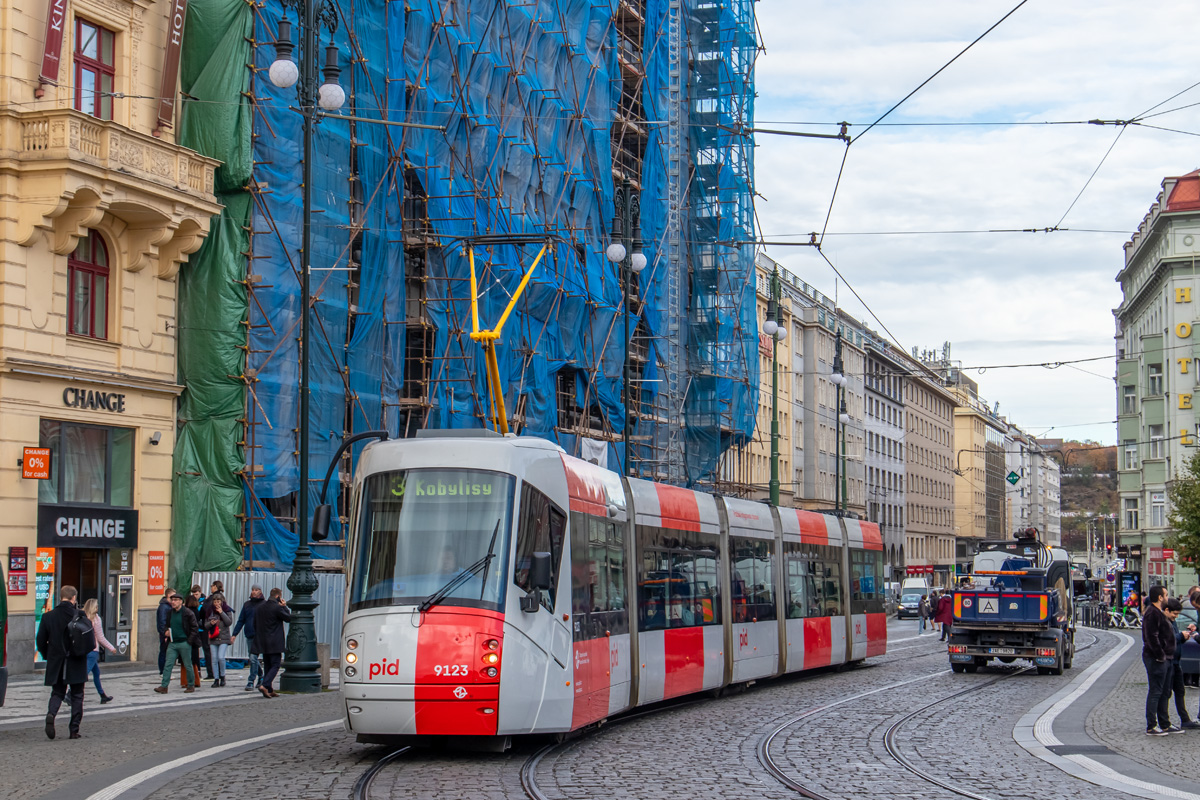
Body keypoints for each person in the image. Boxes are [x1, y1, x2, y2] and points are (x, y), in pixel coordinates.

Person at [35, 585, 89, 739]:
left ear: (61, 597)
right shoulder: (80, 616)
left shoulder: (48, 617)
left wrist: (48, 655)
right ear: (74, 599)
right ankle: (74, 730)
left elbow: (40, 641)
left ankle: (51, 714)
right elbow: (87, 639)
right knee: (77, 695)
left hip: (57, 661)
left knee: (57, 692)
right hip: (76, 661)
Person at [1142, 586, 1177, 735]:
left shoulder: (1157, 613)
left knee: (1164, 691)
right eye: (1166, 595)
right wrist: (1160, 655)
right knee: (1156, 691)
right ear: (1160, 597)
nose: (1168, 598)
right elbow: (1152, 637)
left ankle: (1165, 723)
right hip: (1156, 658)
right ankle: (1151, 725)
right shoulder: (1152, 613)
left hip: (1165, 657)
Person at [1165, 598, 1199, 729]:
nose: (1176, 616)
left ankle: (1185, 720)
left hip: (1176, 662)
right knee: (1166, 692)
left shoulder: (1172, 621)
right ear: (1167, 610)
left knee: (1180, 690)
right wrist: (1180, 637)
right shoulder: (1164, 622)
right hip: (1169, 661)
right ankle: (1164, 721)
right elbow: (1168, 639)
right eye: (1175, 614)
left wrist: (1184, 637)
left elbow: (1175, 639)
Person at [155, 592, 198, 695]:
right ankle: (164, 686)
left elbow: (194, 627)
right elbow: (166, 624)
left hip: (184, 642)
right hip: (173, 643)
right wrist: (166, 631)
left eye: (175, 600)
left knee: (188, 665)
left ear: (181, 602)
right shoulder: (170, 612)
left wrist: (189, 641)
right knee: (168, 664)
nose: (173, 602)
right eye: (172, 600)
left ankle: (191, 684)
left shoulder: (187, 612)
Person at [255, 587, 291, 698]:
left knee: (267, 665)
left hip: (263, 640)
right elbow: (289, 618)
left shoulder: (260, 607)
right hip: (275, 641)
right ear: (278, 596)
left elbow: (255, 623)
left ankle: (269, 689)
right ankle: (265, 685)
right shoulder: (277, 608)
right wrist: (284, 607)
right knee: (275, 664)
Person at [232, 584, 266, 691]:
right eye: (253, 590)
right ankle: (261, 675)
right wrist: (234, 634)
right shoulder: (247, 604)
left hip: (260, 635)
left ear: (260, 591)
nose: (254, 592)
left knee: (253, 658)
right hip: (250, 634)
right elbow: (241, 620)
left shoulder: (264, 604)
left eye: (256, 590)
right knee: (253, 658)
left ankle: (251, 680)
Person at [81, 599, 116, 704]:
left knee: (96, 672)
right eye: (96, 606)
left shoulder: (81, 617)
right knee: (84, 674)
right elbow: (100, 638)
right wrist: (111, 647)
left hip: (83, 649)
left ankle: (102, 695)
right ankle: (70, 694)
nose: (97, 608)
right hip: (93, 650)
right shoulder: (96, 619)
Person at [204, 592, 233, 687]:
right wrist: (211, 623)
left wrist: (221, 613)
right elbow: (205, 625)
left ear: (222, 601)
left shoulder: (227, 610)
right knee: (214, 659)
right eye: (215, 601)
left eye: (218, 601)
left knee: (221, 657)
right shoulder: (210, 611)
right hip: (213, 637)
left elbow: (229, 622)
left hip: (224, 637)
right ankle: (216, 678)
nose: (216, 603)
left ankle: (223, 676)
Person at [191, 585, 214, 680]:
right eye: (193, 594)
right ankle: (198, 673)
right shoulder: (192, 602)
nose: (195, 596)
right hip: (196, 629)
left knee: (206, 650)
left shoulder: (205, 601)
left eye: (196, 594)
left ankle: (210, 673)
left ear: (200, 592)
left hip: (203, 629)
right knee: (195, 652)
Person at [156, 586, 175, 674]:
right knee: (164, 652)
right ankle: (163, 672)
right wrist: (164, 632)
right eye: (173, 596)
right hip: (165, 633)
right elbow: (162, 621)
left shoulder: (169, 606)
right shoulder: (164, 607)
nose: (174, 599)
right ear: (168, 595)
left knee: (167, 652)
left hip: (168, 632)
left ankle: (165, 671)